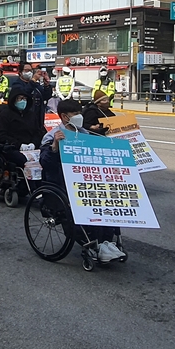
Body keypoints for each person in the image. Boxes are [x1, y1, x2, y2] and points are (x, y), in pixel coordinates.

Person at [39, 98, 125, 261]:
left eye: (80, 113)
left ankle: (106, 242)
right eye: (76, 114)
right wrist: (55, 146)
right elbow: (46, 163)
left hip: (86, 181)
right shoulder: (52, 136)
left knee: (106, 198)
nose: (80, 116)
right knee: (84, 203)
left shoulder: (86, 134)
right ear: (65, 117)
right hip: (62, 183)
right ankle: (94, 243)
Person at [0, 90, 47, 168]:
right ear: (14, 100)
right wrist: (19, 145)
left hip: (32, 147)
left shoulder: (31, 115)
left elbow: (38, 132)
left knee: (47, 157)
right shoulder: (5, 115)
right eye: (20, 99)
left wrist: (34, 144)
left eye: (25, 99)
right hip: (12, 148)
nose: (23, 101)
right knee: (23, 159)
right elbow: (1, 135)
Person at [11, 62, 49, 129]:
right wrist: (33, 80)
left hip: (38, 119)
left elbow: (46, 96)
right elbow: (24, 93)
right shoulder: (17, 84)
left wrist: (47, 85)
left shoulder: (35, 85)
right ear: (20, 72)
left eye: (30, 70)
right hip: (24, 120)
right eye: (26, 70)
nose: (29, 72)